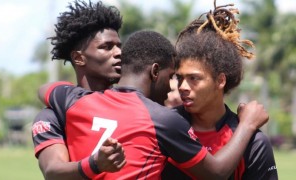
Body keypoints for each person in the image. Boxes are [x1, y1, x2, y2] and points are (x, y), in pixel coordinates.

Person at [39, 30, 269, 179]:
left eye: (194, 78)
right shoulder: (163, 119)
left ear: (220, 81)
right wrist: (247, 124)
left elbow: (44, 90)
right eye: (175, 77)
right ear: (155, 71)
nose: (177, 87)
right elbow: (216, 173)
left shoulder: (73, 100)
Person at [161, 1, 278, 179]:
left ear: (220, 80)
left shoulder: (254, 143)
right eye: (180, 78)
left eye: (194, 78)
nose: (182, 87)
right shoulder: (164, 127)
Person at [31, 1, 126, 179]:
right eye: (106, 47)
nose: (118, 52)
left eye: (119, 45)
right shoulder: (53, 115)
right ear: (79, 58)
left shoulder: (133, 103)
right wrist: (95, 164)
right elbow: (53, 171)